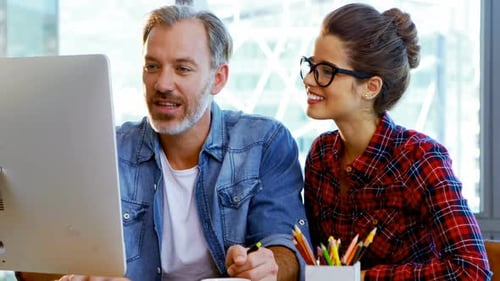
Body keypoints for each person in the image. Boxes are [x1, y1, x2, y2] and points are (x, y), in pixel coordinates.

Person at [17, 4, 308, 281]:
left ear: (218, 79)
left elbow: (287, 251)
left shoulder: (264, 142)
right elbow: (38, 266)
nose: (162, 84)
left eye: (182, 69)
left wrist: (268, 267)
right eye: (152, 66)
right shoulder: (106, 151)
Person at [301, 3, 492, 280]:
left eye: (326, 70)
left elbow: (471, 270)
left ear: (371, 87)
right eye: (311, 65)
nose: (309, 79)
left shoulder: (421, 158)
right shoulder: (321, 155)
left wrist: (364, 278)